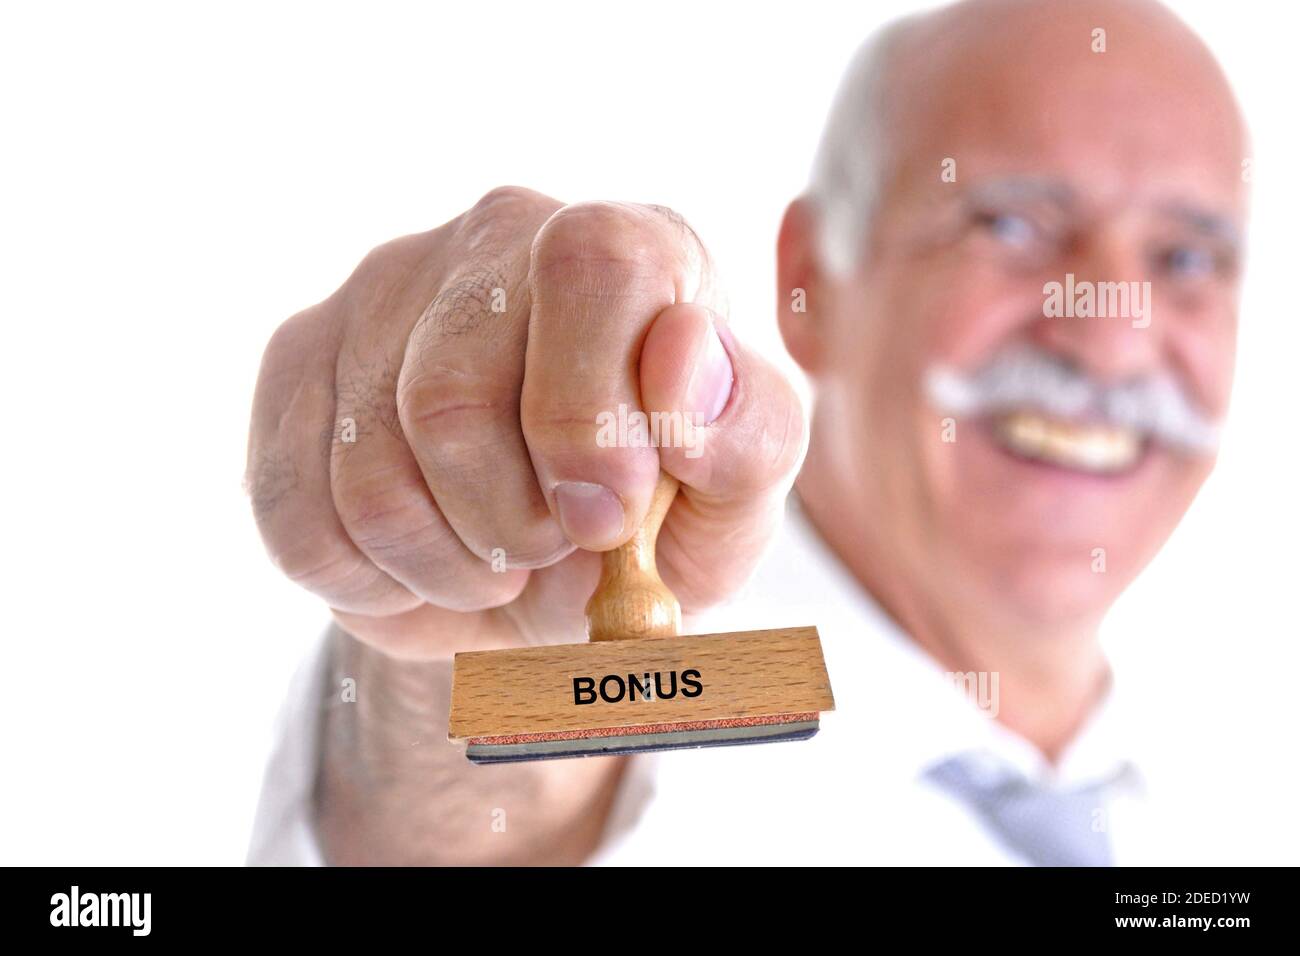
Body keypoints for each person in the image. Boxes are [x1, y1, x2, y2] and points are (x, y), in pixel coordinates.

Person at [245, 0, 1249, 865]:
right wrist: (467, 651)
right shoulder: (624, 735)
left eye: (1188, 256)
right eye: (1010, 225)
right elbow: (460, 824)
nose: (1113, 336)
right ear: (809, 280)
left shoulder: (1233, 795)